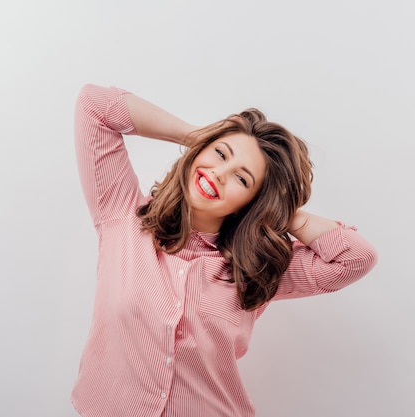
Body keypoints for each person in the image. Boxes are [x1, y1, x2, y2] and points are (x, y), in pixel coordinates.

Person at [71, 84, 378, 417]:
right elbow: (96, 106)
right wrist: (200, 136)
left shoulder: (256, 268)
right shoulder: (122, 214)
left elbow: (355, 257)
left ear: (251, 201)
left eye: (242, 179)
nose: (218, 173)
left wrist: (273, 207)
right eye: (220, 154)